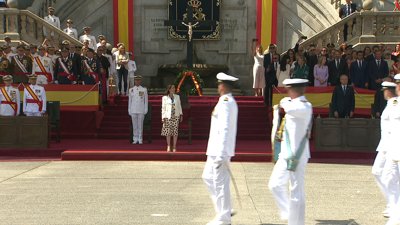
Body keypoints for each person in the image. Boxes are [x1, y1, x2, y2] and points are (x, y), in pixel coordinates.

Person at [269, 78, 312, 225]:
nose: (288, 92)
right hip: (285, 153)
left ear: (293, 91)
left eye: (289, 90)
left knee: (296, 191)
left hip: (297, 155)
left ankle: (296, 223)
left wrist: (284, 101)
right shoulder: (293, 104)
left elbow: (290, 108)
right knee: (274, 184)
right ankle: (287, 211)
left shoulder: (305, 106)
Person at [202, 72, 238, 225]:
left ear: (222, 86)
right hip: (214, 149)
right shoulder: (224, 101)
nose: (218, 86)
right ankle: (224, 209)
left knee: (220, 182)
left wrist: (222, 152)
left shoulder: (226, 102)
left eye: (218, 84)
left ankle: (224, 218)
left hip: (219, 150)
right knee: (208, 177)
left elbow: (225, 128)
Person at [371, 81, 398, 219]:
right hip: (385, 145)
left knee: (389, 175)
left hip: (392, 145)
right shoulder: (391, 104)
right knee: (377, 172)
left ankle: (393, 204)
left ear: (388, 91)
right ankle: (392, 202)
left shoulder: (395, 104)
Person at [384, 74, 400, 225]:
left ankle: (396, 216)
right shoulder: (393, 102)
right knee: (387, 178)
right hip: (394, 147)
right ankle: (394, 210)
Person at [161, 84, 183, 152]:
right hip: (168, 116)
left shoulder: (177, 97)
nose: (174, 89)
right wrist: (163, 117)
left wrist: (181, 114)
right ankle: (168, 145)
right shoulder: (165, 98)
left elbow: (179, 106)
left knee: (175, 131)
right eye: (173, 88)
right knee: (168, 131)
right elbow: (163, 108)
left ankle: (174, 146)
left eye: (174, 88)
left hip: (175, 116)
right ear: (169, 89)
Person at [128, 75, 148, 145]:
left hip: (141, 109)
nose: (137, 81)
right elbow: (130, 100)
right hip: (133, 109)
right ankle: (135, 138)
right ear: (134, 81)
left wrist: (145, 109)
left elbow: (146, 100)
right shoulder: (131, 90)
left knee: (140, 124)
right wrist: (129, 109)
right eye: (136, 80)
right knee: (134, 125)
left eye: (139, 80)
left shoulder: (144, 90)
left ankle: (140, 138)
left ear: (140, 80)